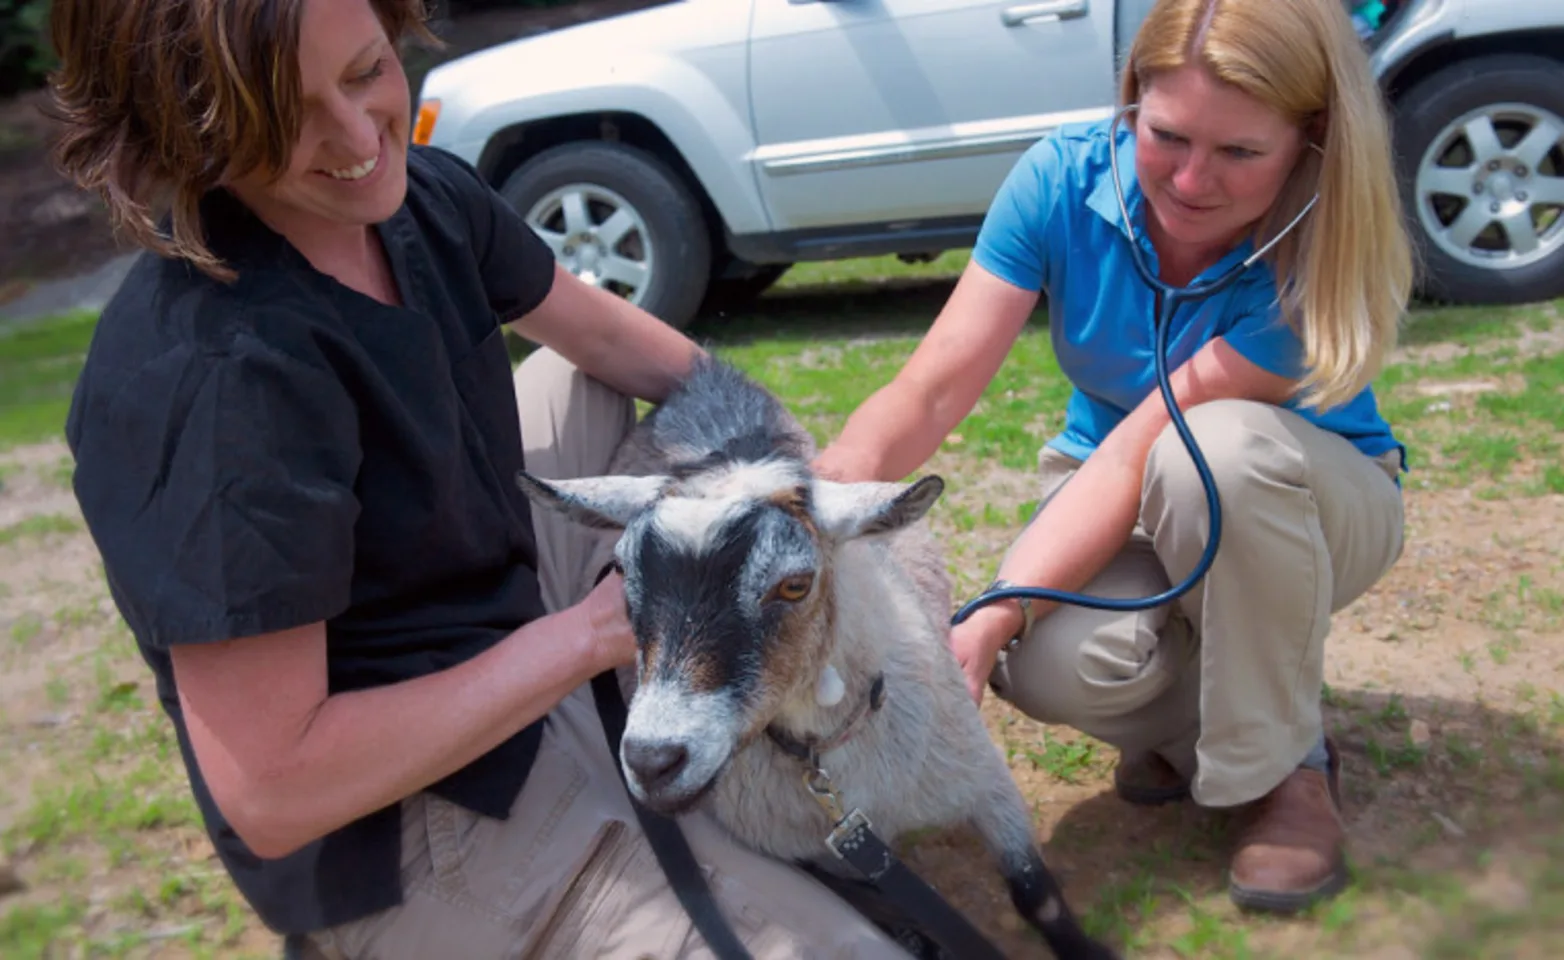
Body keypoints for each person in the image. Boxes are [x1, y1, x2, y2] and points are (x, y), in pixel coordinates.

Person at [49, 0, 919, 956]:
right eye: (285, 117)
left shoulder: (421, 196)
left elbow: (622, 347)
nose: (355, 140)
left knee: (576, 385)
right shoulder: (215, 383)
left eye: (365, 71)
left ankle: (634, 730)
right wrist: (592, 633)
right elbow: (274, 792)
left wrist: (781, 477)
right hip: (397, 816)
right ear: (189, 130)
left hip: (495, 608)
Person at [813, 0, 1413, 916]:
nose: (1191, 180)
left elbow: (1147, 448)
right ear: (1130, 101)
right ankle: (1212, 714)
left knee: (1208, 450)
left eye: (1240, 153)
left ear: (1311, 137)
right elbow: (931, 390)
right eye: (1165, 135)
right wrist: (804, 508)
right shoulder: (1058, 179)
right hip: (1123, 488)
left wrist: (993, 614)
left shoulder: (1320, 245)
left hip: (1302, 497)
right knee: (1054, 669)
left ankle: (1287, 769)